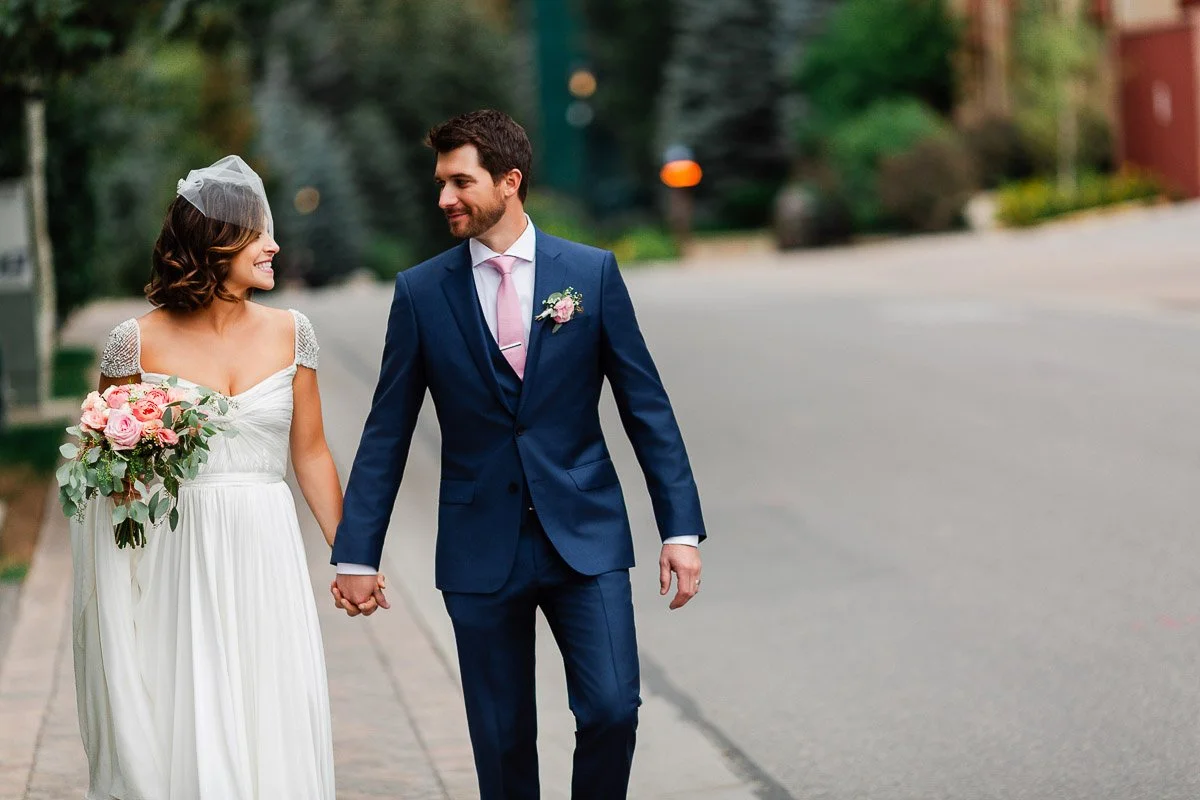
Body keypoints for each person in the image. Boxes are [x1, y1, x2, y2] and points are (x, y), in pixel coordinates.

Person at [331, 110, 706, 799]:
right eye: (440, 182)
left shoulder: (588, 276)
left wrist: (679, 529)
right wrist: (358, 553)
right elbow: (387, 430)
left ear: (510, 181)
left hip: (585, 535)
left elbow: (645, 407)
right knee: (502, 742)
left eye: (459, 181)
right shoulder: (420, 293)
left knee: (612, 710)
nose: (444, 197)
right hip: (479, 547)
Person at [72, 155, 385, 799]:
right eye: (260, 232)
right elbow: (106, 469)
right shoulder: (133, 343)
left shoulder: (293, 334)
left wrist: (353, 555)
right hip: (174, 556)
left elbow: (312, 454)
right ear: (215, 243)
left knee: (270, 706)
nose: (275, 245)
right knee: (188, 706)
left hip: (264, 548)